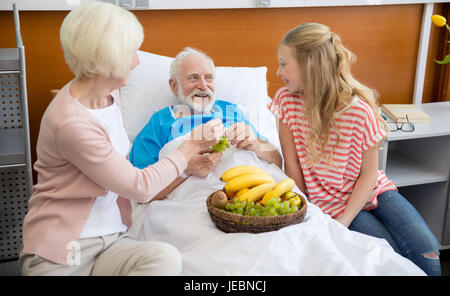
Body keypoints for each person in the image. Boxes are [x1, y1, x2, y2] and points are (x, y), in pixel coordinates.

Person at [19, 2, 224, 276]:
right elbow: (139, 186)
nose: (137, 61)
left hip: (110, 244)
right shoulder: (72, 122)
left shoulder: (109, 97)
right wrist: (191, 146)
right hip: (62, 254)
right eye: (131, 52)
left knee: (164, 258)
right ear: (107, 58)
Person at [269, 22, 441, 276]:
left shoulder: (359, 111)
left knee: (427, 248)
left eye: (284, 63)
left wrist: (346, 220)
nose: (277, 71)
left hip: (370, 189)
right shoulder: (286, 101)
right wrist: (308, 211)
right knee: (389, 254)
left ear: (310, 65)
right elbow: (292, 164)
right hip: (328, 201)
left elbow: (369, 174)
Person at [129, 47, 282, 199]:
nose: (203, 86)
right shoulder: (160, 122)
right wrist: (185, 171)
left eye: (208, 78)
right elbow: (140, 190)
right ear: (174, 86)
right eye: (193, 78)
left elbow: (277, 160)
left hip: (253, 196)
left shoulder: (232, 110)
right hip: (192, 204)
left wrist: (256, 144)